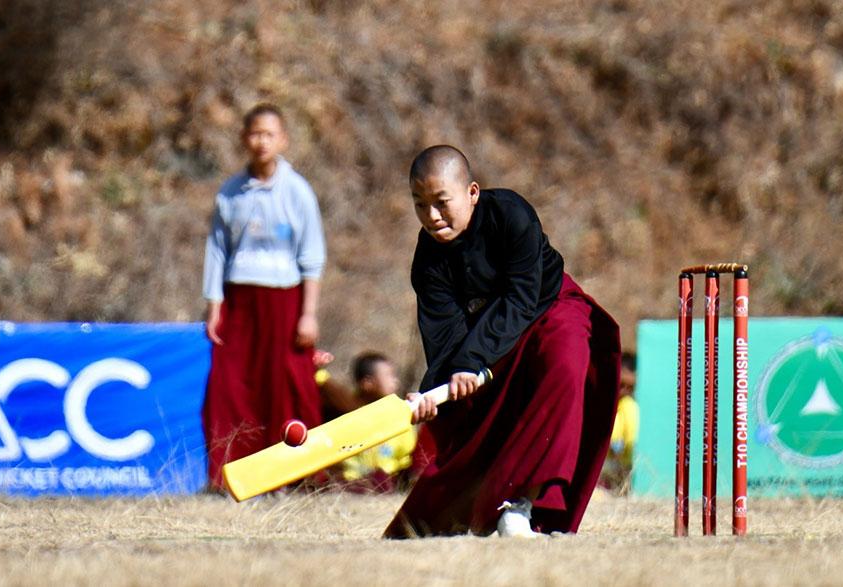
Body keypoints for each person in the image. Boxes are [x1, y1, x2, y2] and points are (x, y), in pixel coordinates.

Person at [384, 145, 621, 538]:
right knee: (478, 418)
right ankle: (471, 513)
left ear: (472, 193)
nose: (432, 216)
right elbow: (443, 335)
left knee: (565, 366)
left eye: (442, 202)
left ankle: (521, 506)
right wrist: (436, 390)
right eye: (420, 205)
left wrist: (471, 361)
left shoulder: (510, 214)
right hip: (490, 339)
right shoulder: (427, 261)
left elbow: (522, 297)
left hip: (551, 308)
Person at [201, 103, 326, 491]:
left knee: (288, 384)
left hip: (284, 299)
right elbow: (217, 251)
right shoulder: (231, 193)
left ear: (283, 139)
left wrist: (308, 314)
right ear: (244, 138)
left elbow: (312, 256)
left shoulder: (298, 192)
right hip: (240, 300)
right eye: (255, 133)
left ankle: (298, 473)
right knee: (231, 384)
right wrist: (214, 307)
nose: (261, 142)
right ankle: (230, 474)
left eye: (269, 134)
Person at [338, 352, 419, 491]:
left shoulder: (398, 413)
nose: (395, 381)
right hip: (354, 480)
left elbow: (407, 454)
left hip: (390, 477)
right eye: (389, 375)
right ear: (367, 383)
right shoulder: (350, 413)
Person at [600, 352, 639, 493]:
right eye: (621, 385)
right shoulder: (610, 404)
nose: (624, 390)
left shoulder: (629, 406)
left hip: (620, 468)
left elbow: (628, 440)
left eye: (630, 387)